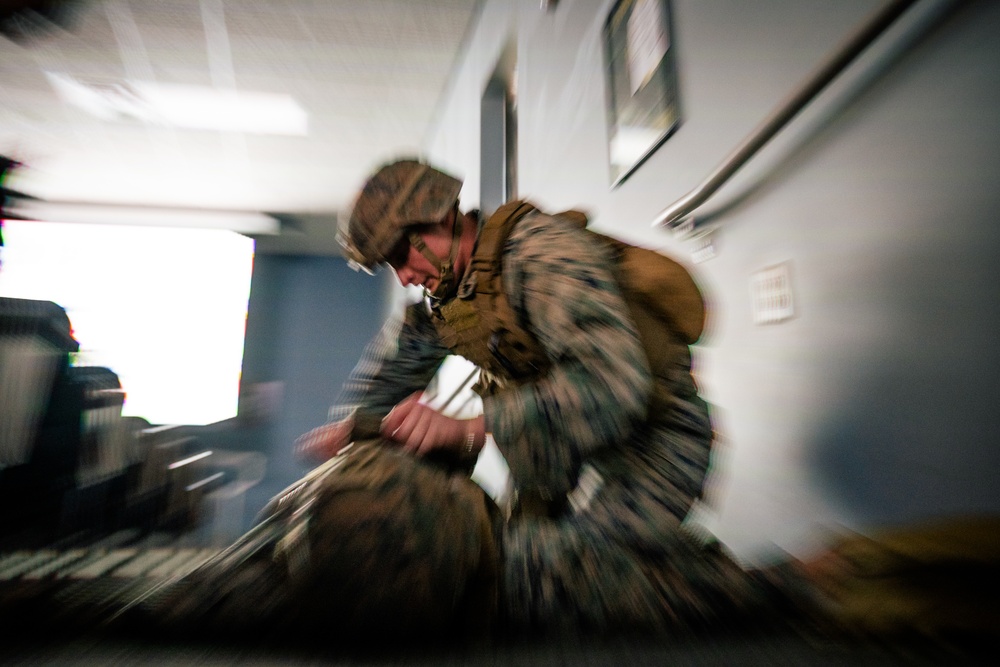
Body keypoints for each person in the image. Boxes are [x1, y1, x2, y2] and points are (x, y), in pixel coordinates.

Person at [293, 159, 779, 637]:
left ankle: (780, 594)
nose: (403, 277)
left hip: (654, 443)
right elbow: (394, 368)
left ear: (440, 218)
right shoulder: (453, 294)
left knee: (559, 582)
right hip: (564, 451)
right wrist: (354, 429)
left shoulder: (542, 256)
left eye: (402, 256)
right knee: (515, 565)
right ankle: (673, 570)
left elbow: (615, 383)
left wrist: (469, 428)